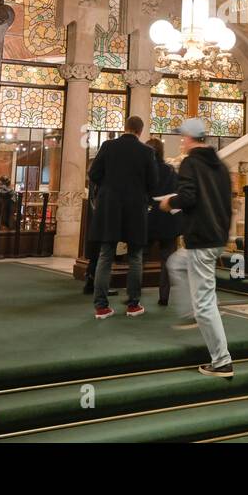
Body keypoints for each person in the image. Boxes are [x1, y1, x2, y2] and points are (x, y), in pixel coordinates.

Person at [160, 117, 233, 377]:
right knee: (175, 263)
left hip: (201, 238)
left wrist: (170, 202)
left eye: (183, 137)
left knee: (205, 301)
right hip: (215, 236)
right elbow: (225, 202)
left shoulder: (191, 162)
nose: (182, 141)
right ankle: (191, 312)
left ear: (191, 138)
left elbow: (189, 197)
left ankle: (222, 360)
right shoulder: (220, 166)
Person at [87, 116, 157, 320]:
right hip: (135, 208)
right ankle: (133, 305)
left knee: (105, 255)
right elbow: (153, 182)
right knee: (135, 257)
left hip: (109, 207)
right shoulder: (147, 152)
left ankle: (101, 307)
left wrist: (108, 187)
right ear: (140, 131)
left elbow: (93, 174)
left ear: (125, 128)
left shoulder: (108, 146)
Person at [145, 137, 179, 308]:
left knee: (139, 257)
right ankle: (164, 296)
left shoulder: (144, 171)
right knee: (167, 259)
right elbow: (176, 192)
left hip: (148, 218)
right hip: (168, 220)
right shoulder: (170, 170)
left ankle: (133, 295)